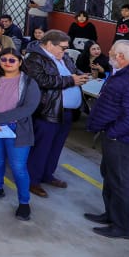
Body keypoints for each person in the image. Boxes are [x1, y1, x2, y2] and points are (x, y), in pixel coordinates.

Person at [85, 40, 129, 239]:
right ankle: (111, 215)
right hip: (117, 137)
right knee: (110, 176)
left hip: (124, 140)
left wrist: (113, 132)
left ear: (121, 57)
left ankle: (124, 227)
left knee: (121, 182)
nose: (109, 53)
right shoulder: (126, 73)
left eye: (112, 51)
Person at [0, 48, 40, 221]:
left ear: (20, 62)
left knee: (18, 167)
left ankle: (24, 203)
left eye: (12, 60)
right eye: (4, 59)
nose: (7, 63)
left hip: (16, 130)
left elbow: (29, 108)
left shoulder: (28, 82)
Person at [23, 30, 88, 198]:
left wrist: (81, 75)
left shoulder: (63, 57)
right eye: (63, 47)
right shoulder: (34, 59)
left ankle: (47, 174)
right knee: (42, 146)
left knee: (56, 145)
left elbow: (74, 70)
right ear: (50, 44)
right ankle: (32, 180)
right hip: (47, 110)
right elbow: (42, 81)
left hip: (66, 111)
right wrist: (71, 80)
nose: (65, 51)